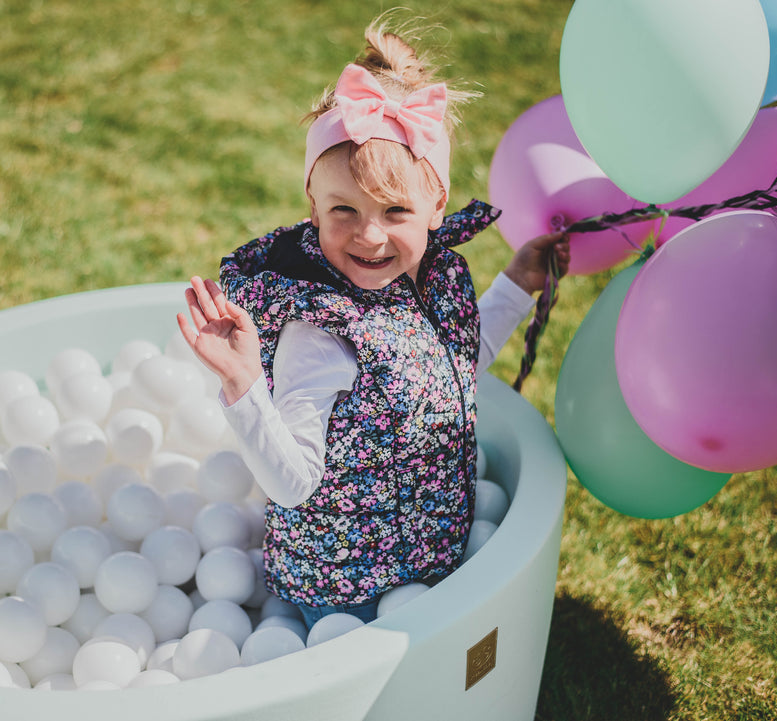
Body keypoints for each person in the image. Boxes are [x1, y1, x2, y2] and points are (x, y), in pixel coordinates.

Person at [176, 17, 569, 629]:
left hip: (426, 552)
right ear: (312, 203)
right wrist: (245, 384)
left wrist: (517, 282)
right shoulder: (322, 329)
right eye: (343, 211)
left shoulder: (428, 280)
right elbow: (292, 482)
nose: (369, 235)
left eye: (395, 210)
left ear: (437, 204)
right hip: (347, 587)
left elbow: (452, 363)